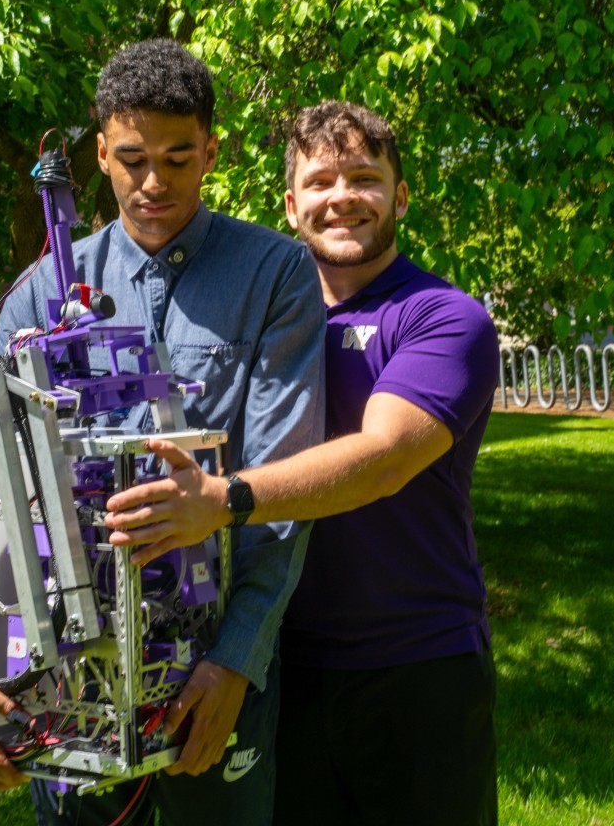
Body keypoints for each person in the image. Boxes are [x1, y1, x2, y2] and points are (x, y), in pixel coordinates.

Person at [0, 39, 326, 826]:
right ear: (100, 152)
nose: (155, 183)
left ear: (212, 149)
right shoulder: (40, 296)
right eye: (132, 159)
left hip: (208, 664)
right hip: (65, 672)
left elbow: (281, 482)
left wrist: (236, 660)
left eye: (178, 157)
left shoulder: (276, 275)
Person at [106, 99, 500, 825]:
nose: (342, 197)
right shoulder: (253, 320)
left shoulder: (443, 317)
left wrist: (226, 499)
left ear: (400, 195)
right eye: (320, 182)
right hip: (279, 666)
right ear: (291, 205)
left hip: (414, 662)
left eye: (365, 177)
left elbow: (382, 459)